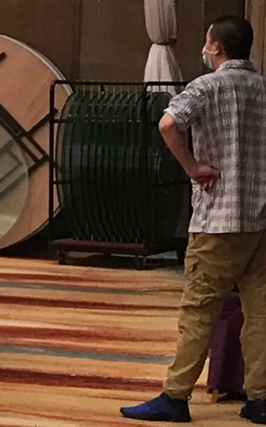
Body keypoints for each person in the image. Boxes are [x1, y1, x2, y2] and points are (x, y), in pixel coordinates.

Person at [119, 15, 266, 424]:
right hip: (261, 218)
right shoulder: (263, 89)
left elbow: (168, 123)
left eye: (206, 41)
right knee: (260, 311)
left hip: (218, 218)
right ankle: (260, 397)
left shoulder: (206, 86)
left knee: (200, 309)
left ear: (215, 46)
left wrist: (192, 168)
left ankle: (175, 395)